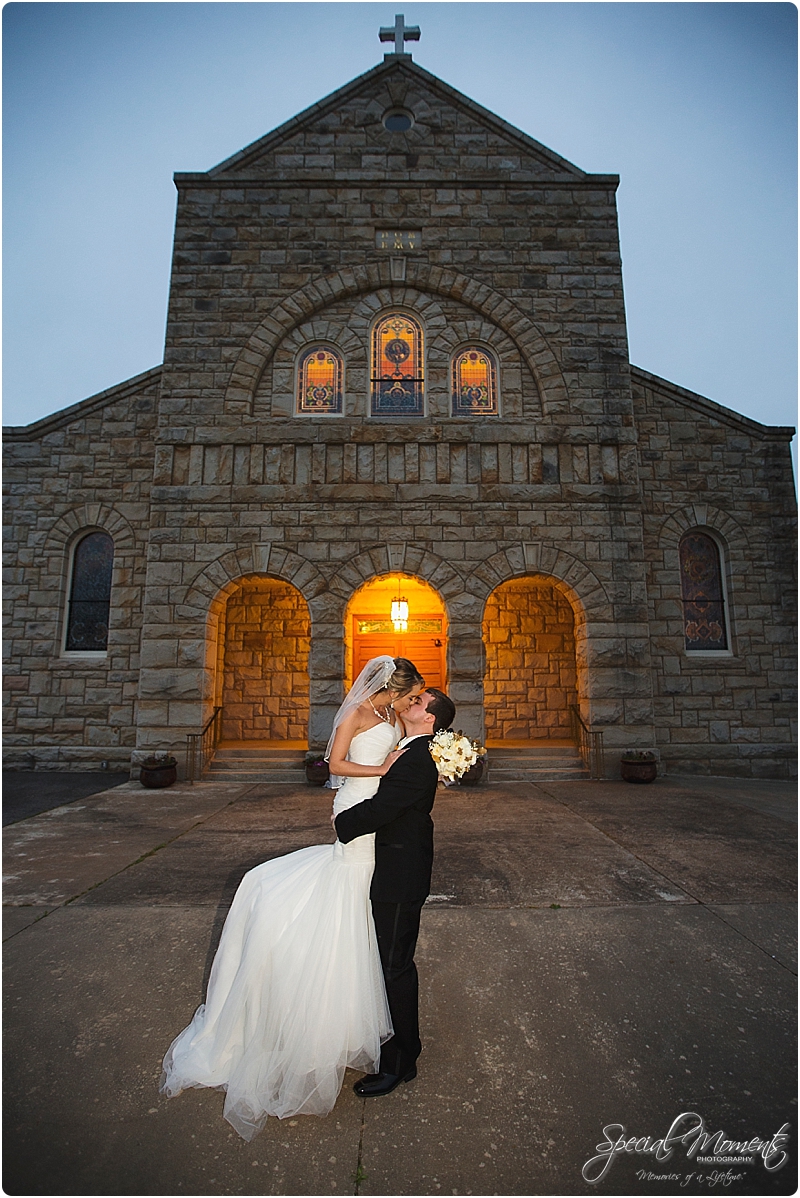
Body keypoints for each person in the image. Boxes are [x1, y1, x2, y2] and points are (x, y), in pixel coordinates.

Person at [159, 655, 425, 1140]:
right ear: (392, 688)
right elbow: (334, 763)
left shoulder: (389, 716)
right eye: (411, 694)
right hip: (356, 803)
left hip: (378, 813)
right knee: (347, 891)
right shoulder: (358, 713)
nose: (413, 701)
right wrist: (383, 767)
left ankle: (350, 1020)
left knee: (363, 909)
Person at [335, 686, 456, 1097]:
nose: (411, 703)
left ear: (430, 720)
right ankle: (391, 1043)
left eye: (419, 702)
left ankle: (404, 1059)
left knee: (395, 965)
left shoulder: (419, 757)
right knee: (386, 961)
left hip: (400, 875)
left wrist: (341, 824)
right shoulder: (406, 745)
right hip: (389, 866)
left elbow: (385, 808)